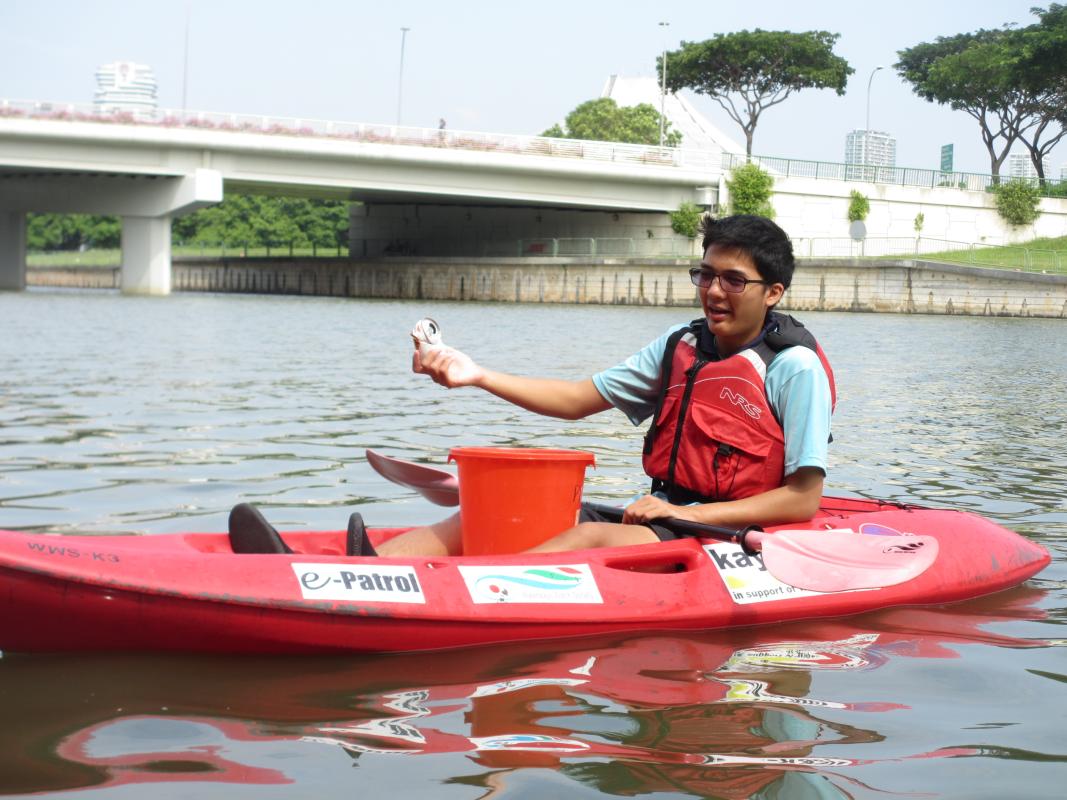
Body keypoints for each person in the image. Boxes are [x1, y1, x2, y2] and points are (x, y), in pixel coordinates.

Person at [375, 214, 834, 558]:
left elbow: (802, 499)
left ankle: (469, 594)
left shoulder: (795, 368)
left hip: (727, 533)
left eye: (733, 280)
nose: (713, 291)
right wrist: (477, 375)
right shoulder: (682, 345)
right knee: (491, 515)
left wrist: (687, 514)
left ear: (772, 292)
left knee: (589, 536)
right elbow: (576, 399)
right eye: (706, 274)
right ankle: (364, 570)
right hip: (663, 515)